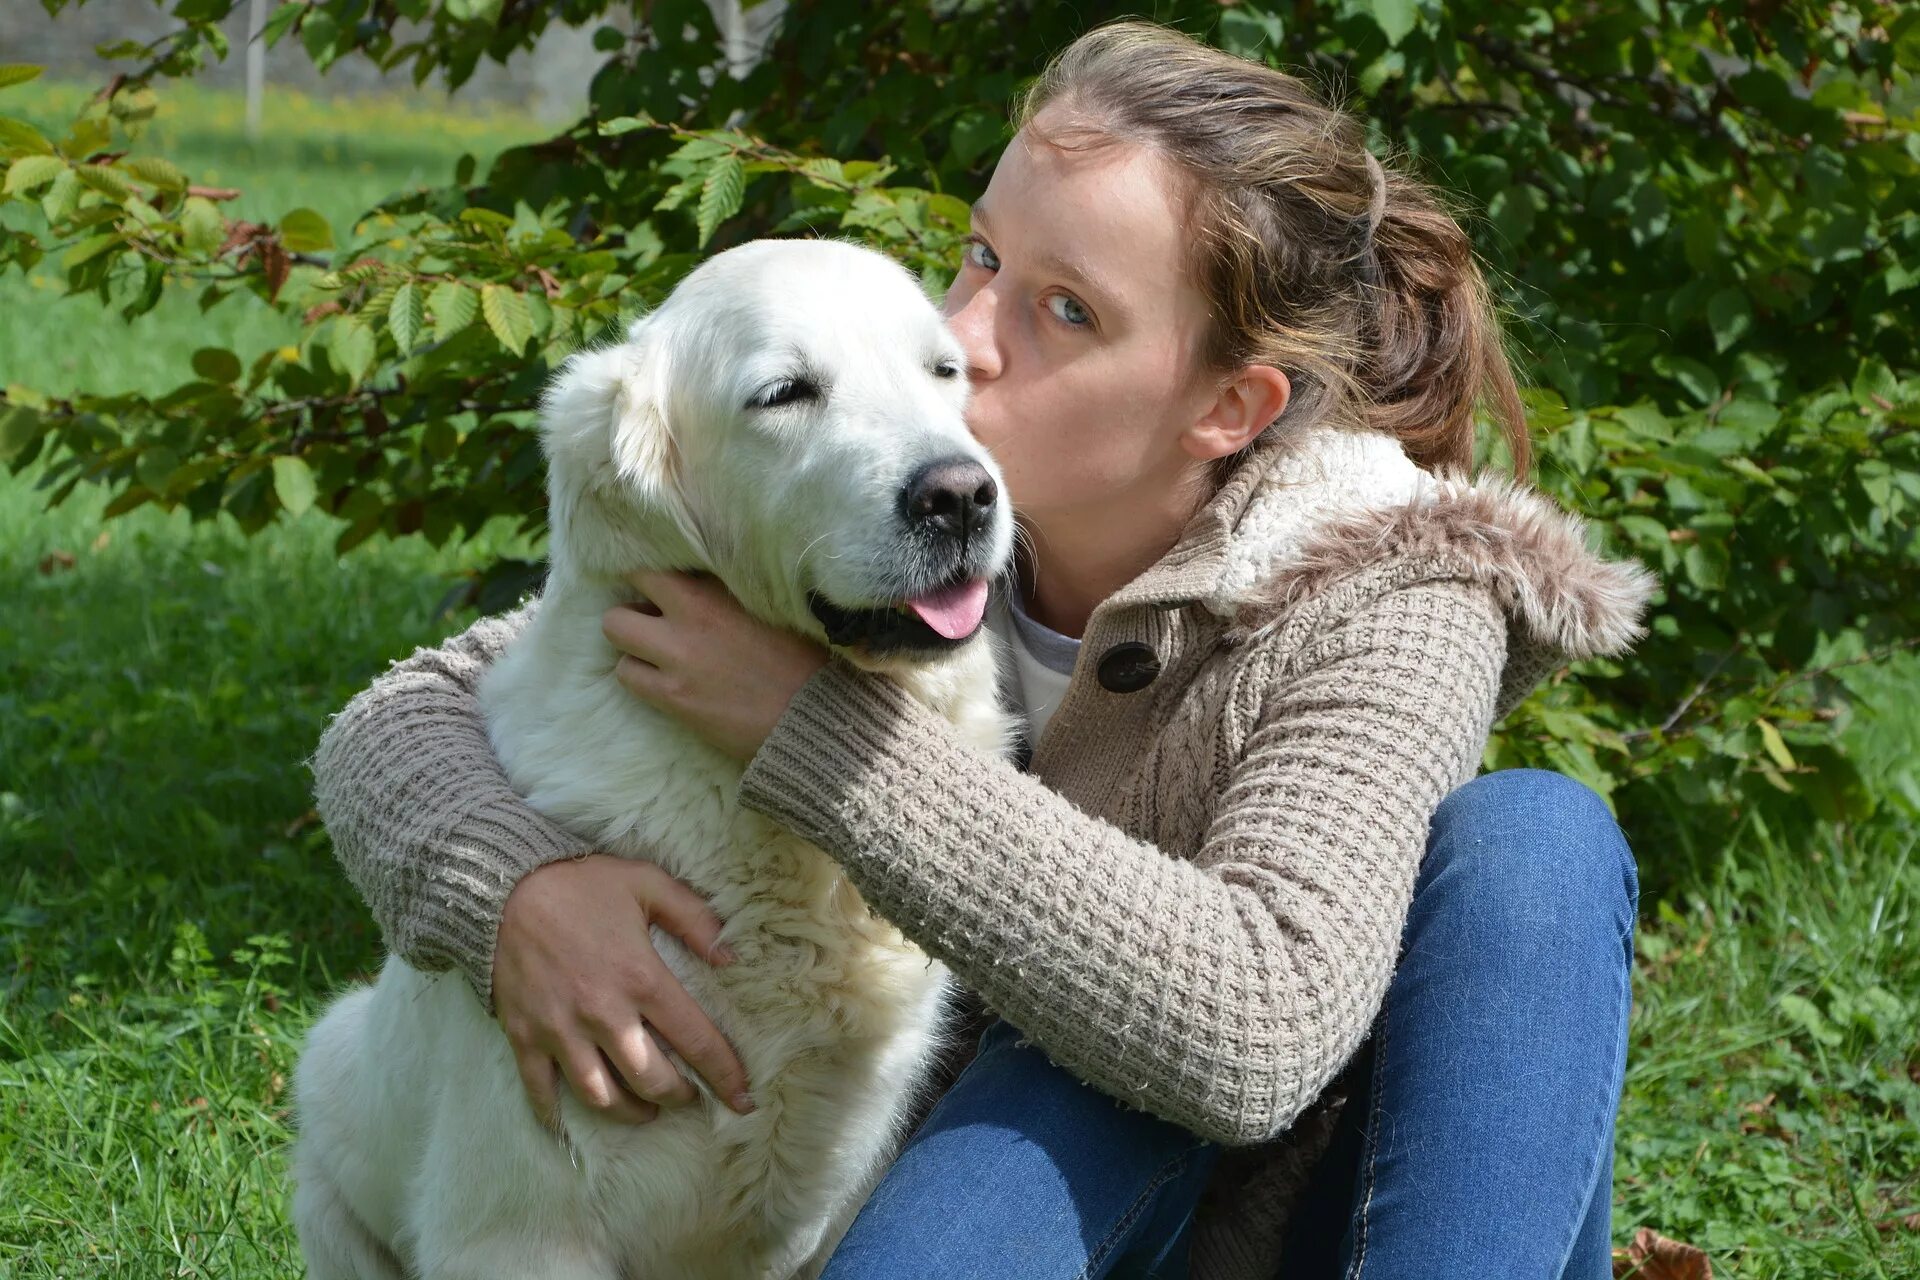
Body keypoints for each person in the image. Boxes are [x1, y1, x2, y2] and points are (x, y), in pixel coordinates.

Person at [310, 20, 1655, 1280]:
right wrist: (519, 893)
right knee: (1040, 1094)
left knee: (1536, 838)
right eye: (981, 258)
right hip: (994, 1187)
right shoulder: (876, 524)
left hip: (1265, 1219)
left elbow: (1249, 1034)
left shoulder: (1386, 588)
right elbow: (409, 713)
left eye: (1065, 312)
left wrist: (816, 734)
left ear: (1226, 407)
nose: (963, 337)